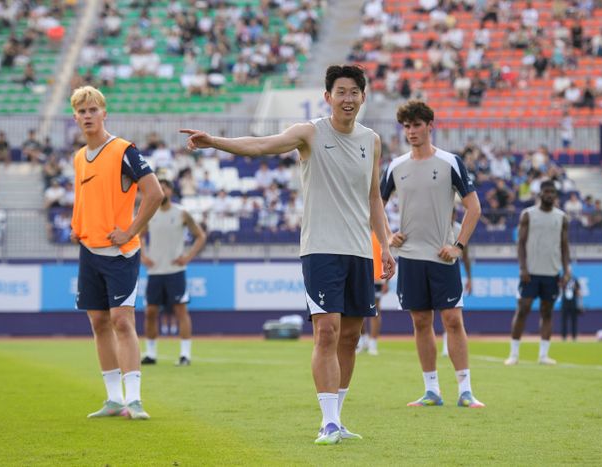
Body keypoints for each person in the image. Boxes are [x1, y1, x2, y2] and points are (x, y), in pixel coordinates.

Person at [180, 65, 395, 445]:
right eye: (340, 92)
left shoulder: (372, 140)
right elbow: (261, 145)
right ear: (328, 97)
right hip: (321, 249)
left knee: (350, 337)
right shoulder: (309, 132)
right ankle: (328, 422)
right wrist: (215, 142)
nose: (347, 99)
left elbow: (374, 197)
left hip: (360, 251)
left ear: (363, 97)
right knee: (326, 332)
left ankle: (339, 417)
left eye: (354, 92)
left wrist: (386, 242)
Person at [380, 100, 485, 409]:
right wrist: (388, 236)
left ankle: (465, 390)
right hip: (410, 258)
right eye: (407, 126)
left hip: (443, 257)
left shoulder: (450, 162)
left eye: (416, 125)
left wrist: (458, 246)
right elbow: (375, 205)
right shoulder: (396, 166)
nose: (411, 131)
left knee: (452, 320)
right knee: (421, 322)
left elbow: (474, 208)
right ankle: (431, 391)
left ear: (430, 126)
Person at [69, 85, 163, 420]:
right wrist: (78, 226)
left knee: (122, 321)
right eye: (82, 111)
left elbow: (155, 193)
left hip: (120, 253)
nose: (88, 116)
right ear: (75, 117)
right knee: (98, 322)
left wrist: (130, 231)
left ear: (104, 113)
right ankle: (113, 399)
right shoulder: (79, 157)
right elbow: (85, 199)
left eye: (93, 110)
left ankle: (133, 400)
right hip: (89, 250)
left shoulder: (124, 150)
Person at [141, 177, 207, 366]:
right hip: (155, 272)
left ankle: (185, 354)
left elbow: (200, 236)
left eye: (165, 188)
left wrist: (187, 257)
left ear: (171, 191)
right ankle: (151, 353)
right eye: (159, 188)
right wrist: (143, 256)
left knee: (181, 311)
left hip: (175, 271)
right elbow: (138, 236)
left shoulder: (181, 213)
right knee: (150, 312)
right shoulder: (149, 213)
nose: (162, 191)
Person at [504, 180, 570, 366]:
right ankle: (514, 354)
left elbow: (565, 246)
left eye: (552, 192)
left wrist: (566, 270)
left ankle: (543, 355)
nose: (549, 195)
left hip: (552, 272)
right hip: (530, 272)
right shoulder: (528, 214)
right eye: (546, 191)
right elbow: (521, 243)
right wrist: (523, 268)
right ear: (540, 193)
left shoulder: (562, 217)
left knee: (547, 312)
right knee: (523, 309)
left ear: (556, 195)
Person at [442, 210, 473, 357]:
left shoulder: (460, 229)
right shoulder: (437, 226)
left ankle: (446, 345)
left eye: (453, 213)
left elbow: (465, 256)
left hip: (451, 271)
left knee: (451, 313)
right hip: (433, 268)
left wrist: (469, 278)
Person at [357, 231, 389, 356]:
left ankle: (373, 343)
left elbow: (386, 256)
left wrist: (386, 281)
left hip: (376, 278)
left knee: (375, 311)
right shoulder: (359, 230)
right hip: (359, 276)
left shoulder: (379, 233)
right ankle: (363, 340)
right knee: (358, 311)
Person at [561, 274, 582, 342]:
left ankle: (574, 336)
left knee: (574, 320)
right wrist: (564, 283)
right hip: (565, 303)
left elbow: (579, 292)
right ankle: (564, 336)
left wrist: (580, 304)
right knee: (564, 320)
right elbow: (559, 287)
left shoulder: (574, 280)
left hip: (573, 303)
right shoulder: (562, 279)